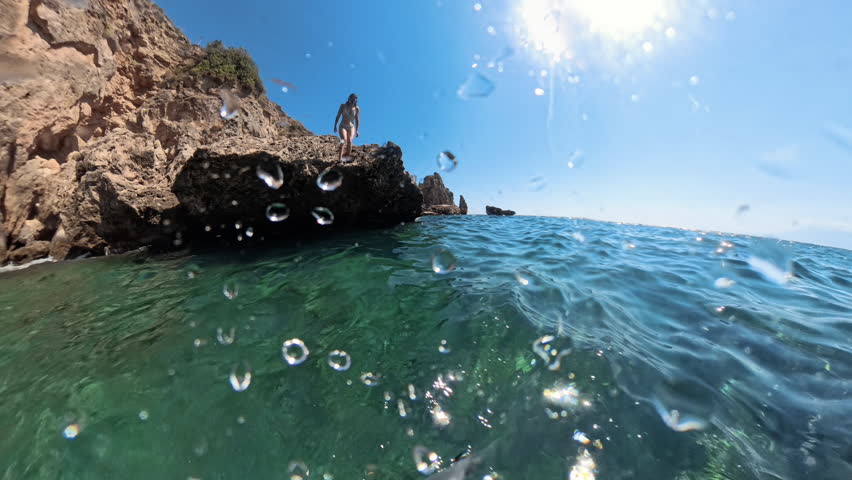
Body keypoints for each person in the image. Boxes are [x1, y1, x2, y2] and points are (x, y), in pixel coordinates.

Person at [333, 94, 360, 161]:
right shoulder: (343, 106)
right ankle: (340, 159)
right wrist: (335, 125)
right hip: (343, 126)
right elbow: (338, 116)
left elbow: (357, 120)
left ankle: (347, 157)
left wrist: (357, 130)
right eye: (351, 99)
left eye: (354, 100)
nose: (352, 101)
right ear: (348, 99)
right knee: (343, 140)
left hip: (351, 127)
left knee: (350, 141)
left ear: (356, 101)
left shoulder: (357, 109)